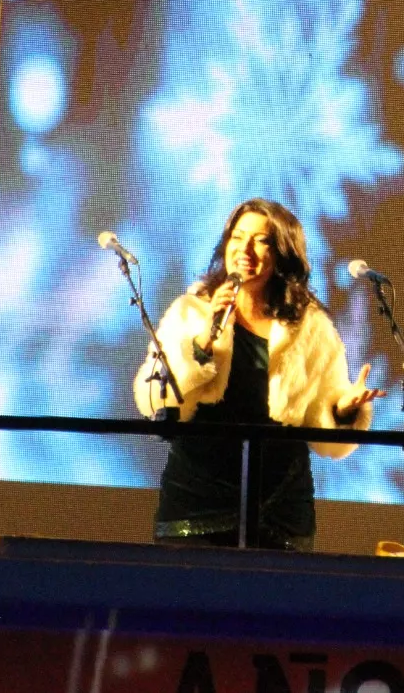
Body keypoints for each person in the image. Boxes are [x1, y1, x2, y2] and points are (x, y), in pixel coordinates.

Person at [133, 198, 384, 550]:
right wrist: (204, 341)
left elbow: (327, 432)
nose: (244, 249)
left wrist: (344, 410)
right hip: (197, 500)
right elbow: (153, 399)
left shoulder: (309, 327)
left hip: (279, 509)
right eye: (237, 237)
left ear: (282, 252)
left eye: (261, 240)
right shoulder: (190, 312)